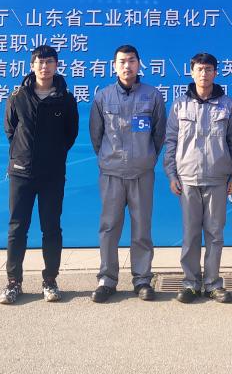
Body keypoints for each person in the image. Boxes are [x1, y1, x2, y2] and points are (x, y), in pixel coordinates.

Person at [0, 45, 79, 305]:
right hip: (21, 173)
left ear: (56, 66)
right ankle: (13, 282)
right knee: (17, 227)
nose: (44, 67)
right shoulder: (18, 97)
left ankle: (50, 280)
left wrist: (52, 154)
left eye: (49, 62)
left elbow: (70, 135)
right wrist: (24, 155)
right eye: (40, 62)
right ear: (32, 66)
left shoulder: (66, 99)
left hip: (52, 174)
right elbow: (11, 130)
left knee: (51, 228)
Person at [89, 44, 166, 302]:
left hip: (142, 173)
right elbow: (96, 135)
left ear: (138, 64)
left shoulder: (152, 96)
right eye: (122, 61)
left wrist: (146, 157)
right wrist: (108, 159)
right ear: (114, 66)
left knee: (142, 227)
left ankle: (142, 279)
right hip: (111, 173)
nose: (127, 66)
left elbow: (159, 134)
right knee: (109, 227)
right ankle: (107, 279)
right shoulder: (103, 97)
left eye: (131, 61)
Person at [163, 52, 232, 304]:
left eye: (208, 69)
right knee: (190, 234)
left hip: (218, 179)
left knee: (215, 233)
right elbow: (170, 142)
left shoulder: (228, 105)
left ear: (215, 73)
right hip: (187, 178)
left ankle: (212, 283)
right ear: (191, 72)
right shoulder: (179, 105)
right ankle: (190, 283)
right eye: (199, 69)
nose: (204, 74)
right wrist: (171, 174)